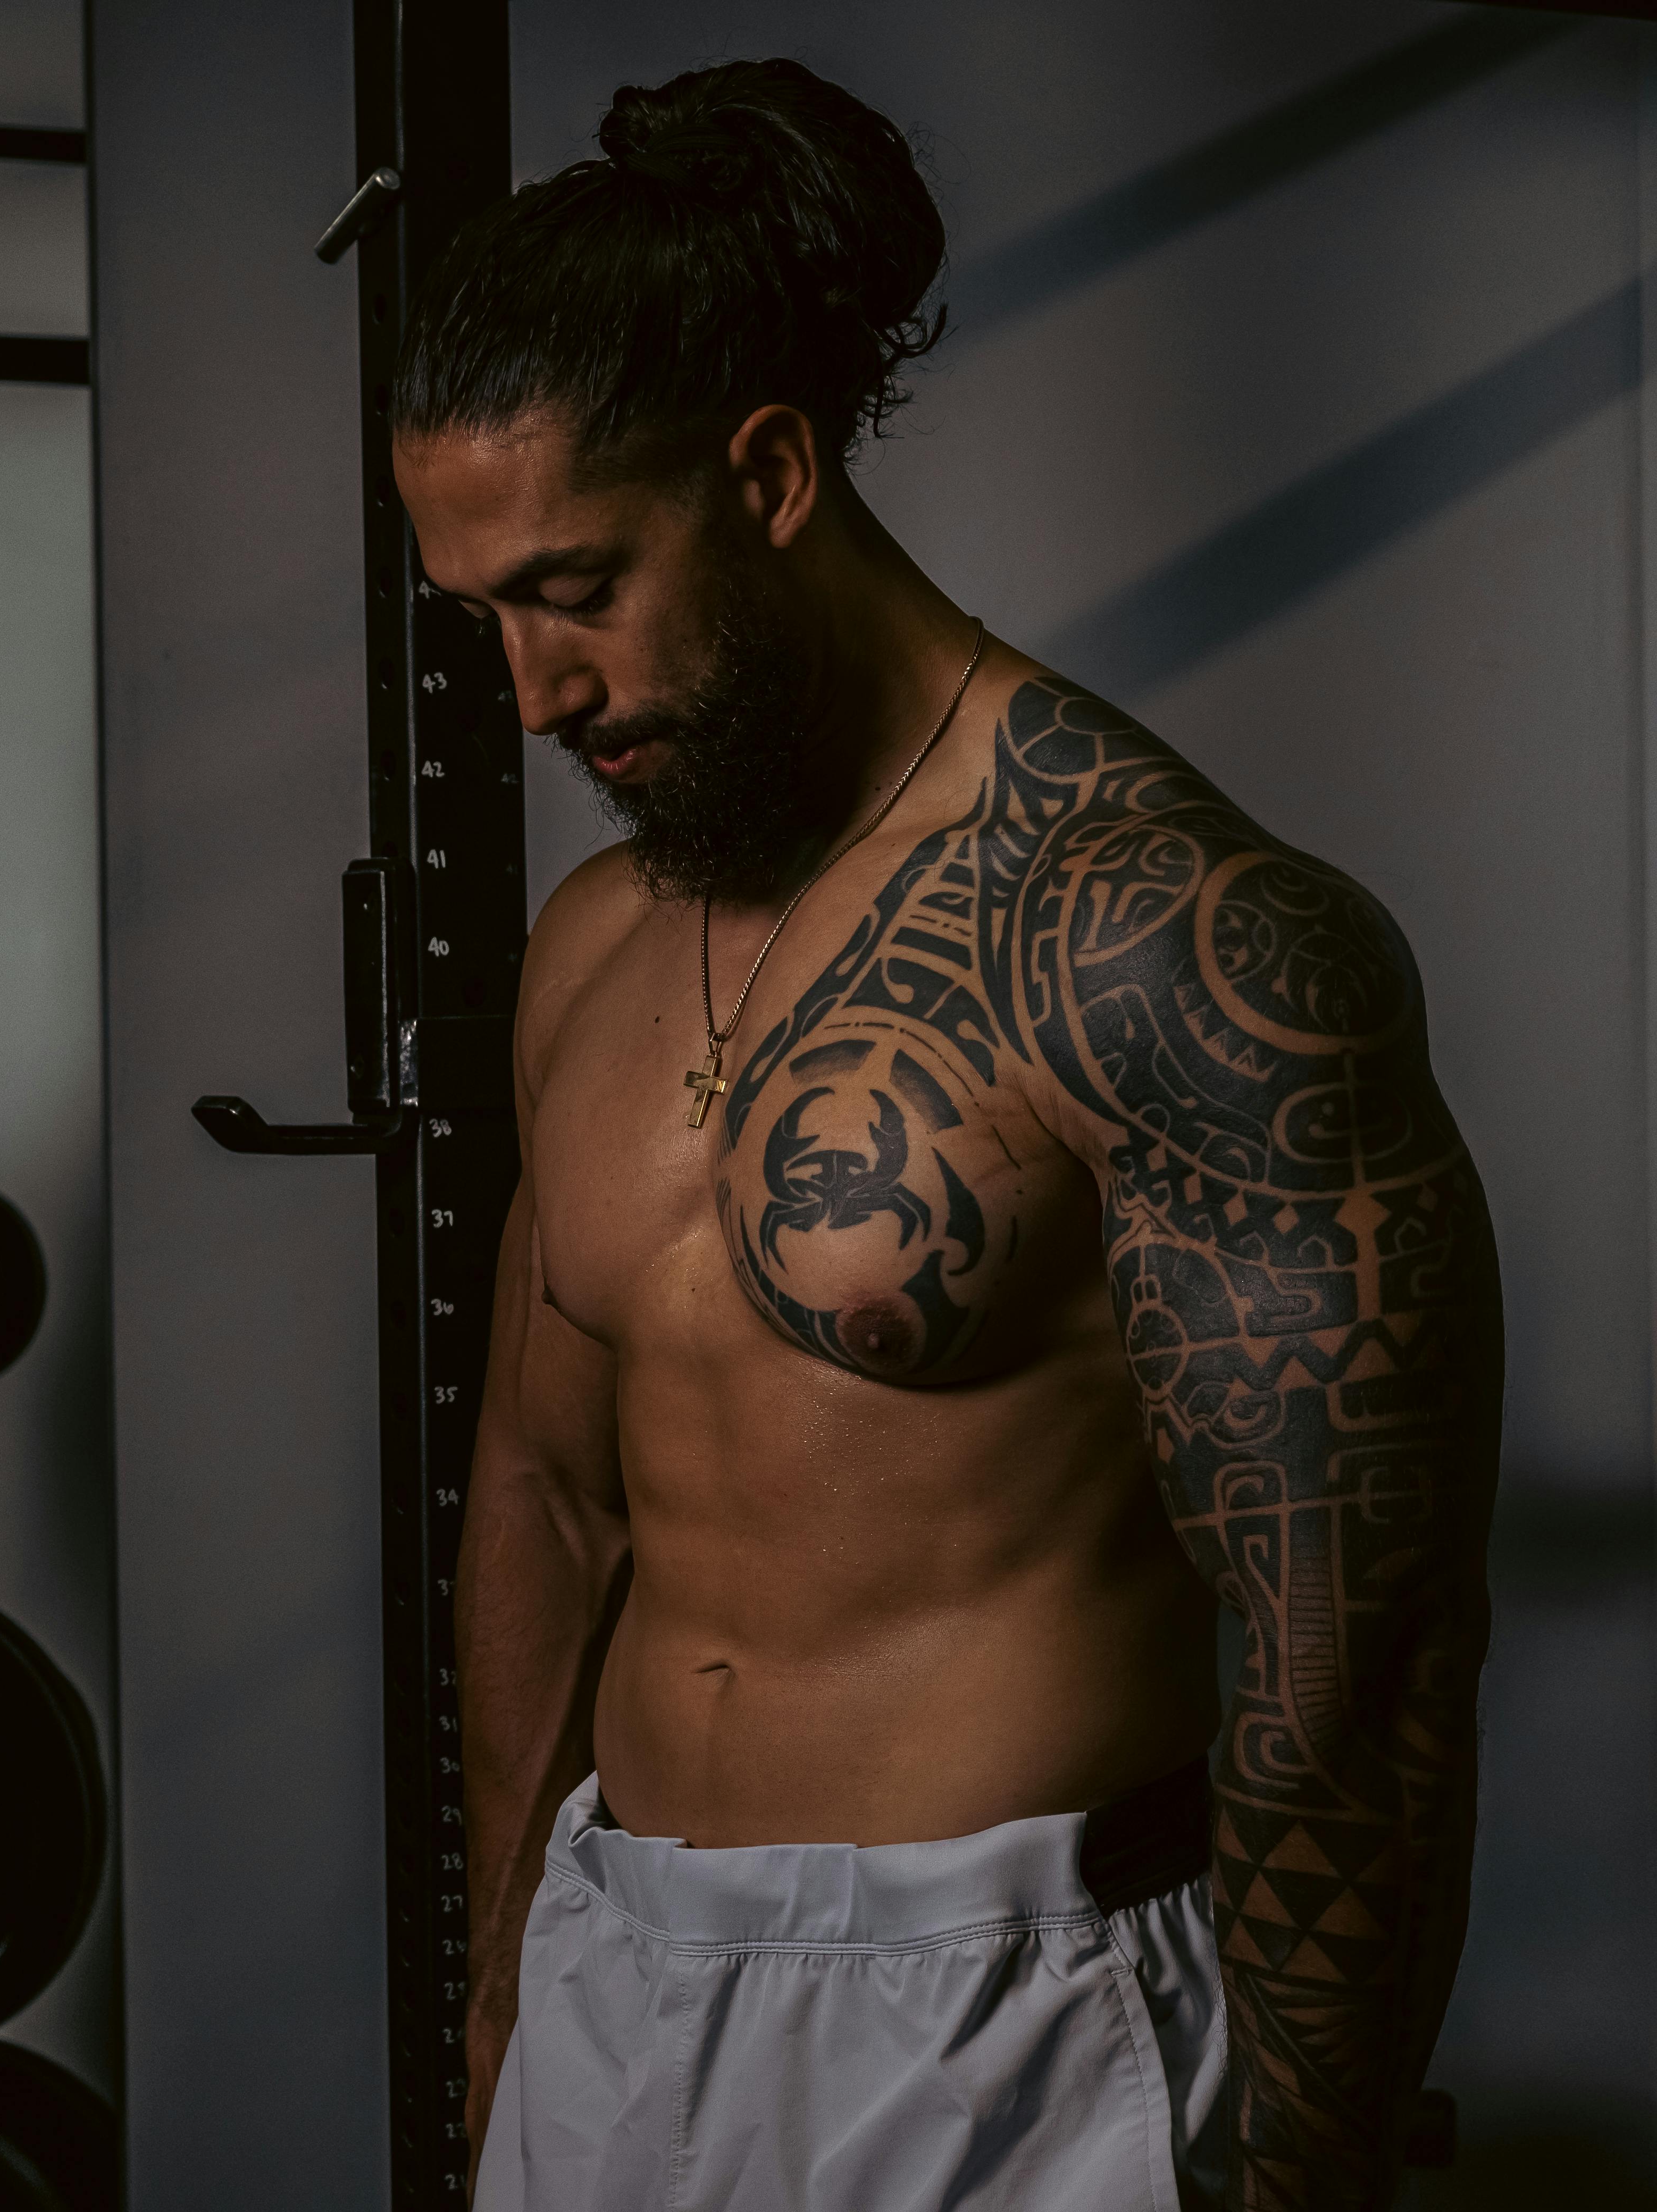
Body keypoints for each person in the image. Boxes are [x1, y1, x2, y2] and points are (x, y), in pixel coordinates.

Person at [399, 61, 1500, 2212]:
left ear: (773, 473)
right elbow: (542, 1485)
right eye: (484, 616)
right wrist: (511, 1971)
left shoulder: (1174, 939)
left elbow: (1350, 1663)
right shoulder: (597, 936)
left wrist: (1308, 2161)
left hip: (1015, 2019)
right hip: (623, 1984)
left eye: (575, 586)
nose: (529, 693)